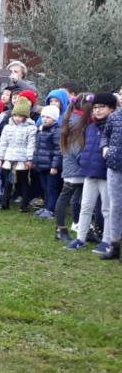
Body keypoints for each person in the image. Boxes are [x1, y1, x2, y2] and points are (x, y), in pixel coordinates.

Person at [67, 94, 115, 252]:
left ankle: (107, 241)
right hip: (89, 173)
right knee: (85, 206)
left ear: (112, 109)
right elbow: (85, 147)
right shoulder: (90, 127)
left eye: (102, 107)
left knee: (107, 209)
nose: (98, 110)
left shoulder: (113, 127)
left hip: (106, 174)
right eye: (95, 107)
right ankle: (81, 237)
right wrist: (83, 161)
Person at [54, 97, 88, 241]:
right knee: (67, 196)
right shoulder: (77, 121)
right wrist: (87, 161)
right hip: (76, 168)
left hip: (75, 167)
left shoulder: (72, 118)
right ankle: (60, 229)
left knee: (78, 199)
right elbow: (76, 148)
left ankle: (80, 226)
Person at [0, 97, 37, 211]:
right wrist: (0, 157)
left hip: (22, 159)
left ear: (25, 117)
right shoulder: (7, 127)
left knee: (23, 182)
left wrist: (29, 159)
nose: (17, 118)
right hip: (8, 158)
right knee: (8, 181)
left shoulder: (31, 128)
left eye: (20, 116)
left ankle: (24, 204)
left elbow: (31, 145)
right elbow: (3, 143)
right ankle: (5, 203)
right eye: (15, 115)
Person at [100, 96, 122, 259]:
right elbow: (105, 135)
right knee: (115, 206)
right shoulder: (114, 117)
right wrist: (105, 148)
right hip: (115, 165)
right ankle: (114, 245)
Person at [32, 105, 62, 219]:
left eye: (48, 117)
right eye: (43, 116)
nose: (44, 119)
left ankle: (51, 209)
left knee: (51, 188)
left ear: (54, 118)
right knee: (45, 187)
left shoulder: (57, 131)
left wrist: (55, 166)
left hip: (51, 166)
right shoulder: (40, 130)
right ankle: (45, 206)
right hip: (42, 165)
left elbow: (58, 150)